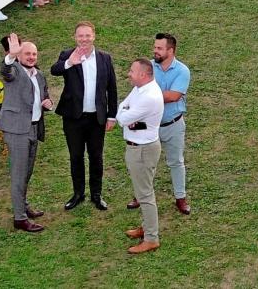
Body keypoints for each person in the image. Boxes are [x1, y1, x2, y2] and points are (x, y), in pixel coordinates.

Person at [51, 21, 119, 212]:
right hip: (73, 117)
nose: (84, 39)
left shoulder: (104, 58)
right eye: (80, 36)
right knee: (76, 156)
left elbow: (112, 88)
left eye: (87, 35)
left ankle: (96, 194)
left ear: (94, 36)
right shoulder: (67, 55)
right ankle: (78, 193)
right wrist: (69, 62)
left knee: (96, 156)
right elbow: (54, 70)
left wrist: (112, 116)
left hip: (97, 118)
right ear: (75, 37)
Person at [0, 34, 52, 233]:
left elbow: (44, 95)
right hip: (17, 130)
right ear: (19, 55)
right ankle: (20, 218)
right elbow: (6, 71)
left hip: (33, 128)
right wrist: (10, 57)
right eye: (27, 53)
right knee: (19, 174)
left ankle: (23, 204)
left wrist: (48, 103)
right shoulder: (15, 71)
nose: (31, 57)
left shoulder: (39, 75)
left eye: (34, 54)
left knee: (27, 172)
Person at [133, 33, 191, 214]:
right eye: (155, 47)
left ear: (170, 51)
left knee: (176, 162)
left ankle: (180, 198)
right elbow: (139, 91)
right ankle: (140, 196)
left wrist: (150, 94)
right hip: (150, 126)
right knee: (145, 163)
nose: (155, 51)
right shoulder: (148, 68)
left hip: (173, 125)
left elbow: (174, 96)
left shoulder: (182, 71)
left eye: (159, 48)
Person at [112, 59, 164, 254]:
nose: (128, 73)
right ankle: (147, 227)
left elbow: (123, 118)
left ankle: (151, 238)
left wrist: (125, 115)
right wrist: (125, 113)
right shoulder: (140, 88)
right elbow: (123, 107)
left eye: (132, 71)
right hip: (139, 148)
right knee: (143, 191)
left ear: (143, 74)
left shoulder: (148, 96)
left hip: (142, 150)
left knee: (145, 194)